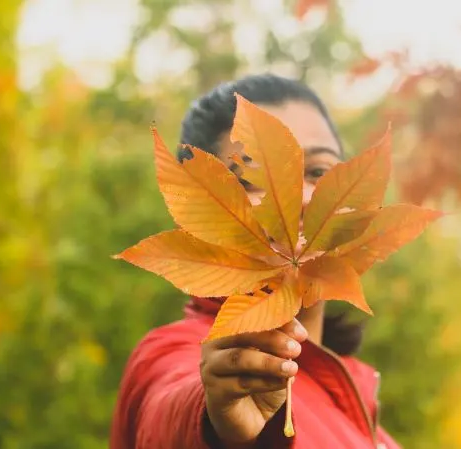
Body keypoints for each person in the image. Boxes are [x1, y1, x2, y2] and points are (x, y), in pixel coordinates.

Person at [109, 74, 400, 449]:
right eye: (253, 176)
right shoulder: (175, 354)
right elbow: (168, 411)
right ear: (203, 215)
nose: (302, 198)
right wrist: (220, 421)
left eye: (319, 172)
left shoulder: (363, 414)